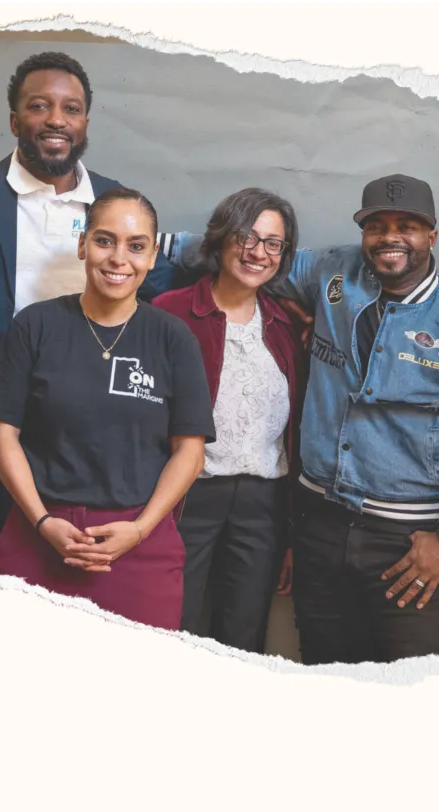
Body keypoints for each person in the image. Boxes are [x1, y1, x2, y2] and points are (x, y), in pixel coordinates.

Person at [163, 174, 439, 663]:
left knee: (411, 696)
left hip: (410, 543)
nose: (390, 237)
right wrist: (144, 245)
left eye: (407, 226)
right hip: (321, 527)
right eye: (376, 226)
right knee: (325, 679)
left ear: (432, 237)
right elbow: (246, 253)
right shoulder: (334, 272)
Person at [0, 51, 179, 538]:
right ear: (15, 121)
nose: (56, 119)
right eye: (39, 106)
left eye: (71, 109)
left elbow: (159, 276)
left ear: (85, 123)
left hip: (82, 433)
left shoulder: (115, 203)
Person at [0, 188, 215, 630]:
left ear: (150, 258)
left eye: (136, 246)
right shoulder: (35, 325)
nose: (118, 258)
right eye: (105, 240)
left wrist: (141, 529)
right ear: (82, 244)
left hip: (139, 546)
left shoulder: (173, 337)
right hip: (39, 536)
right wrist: (43, 521)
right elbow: (1, 434)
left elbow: (190, 451)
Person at [152, 189, 304, 653]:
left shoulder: (287, 325)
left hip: (262, 504)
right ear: (221, 239)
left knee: (243, 635)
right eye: (246, 237)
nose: (258, 252)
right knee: (170, 624)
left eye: (273, 243)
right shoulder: (170, 313)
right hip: (187, 497)